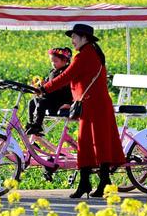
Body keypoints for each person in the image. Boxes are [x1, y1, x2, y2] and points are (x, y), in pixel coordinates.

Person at [39, 23, 125, 198]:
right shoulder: (91, 53)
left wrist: (45, 88)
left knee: (94, 144)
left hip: (95, 106)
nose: (72, 41)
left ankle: (99, 182)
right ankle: (91, 182)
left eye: (74, 37)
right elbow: (78, 81)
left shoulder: (84, 56)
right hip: (93, 105)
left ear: (84, 38)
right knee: (90, 144)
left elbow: (66, 76)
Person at [26, 47, 74, 136]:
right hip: (50, 98)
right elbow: (49, 84)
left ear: (65, 61)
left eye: (55, 61)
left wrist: (46, 87)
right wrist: (41, 85)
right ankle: (31, 123)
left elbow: (59, 86)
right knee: (32, 102)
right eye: (51, 61)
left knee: (41, 103)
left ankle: (37, 125)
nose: (53, 64)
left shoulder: (66, 72)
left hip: (60, 101)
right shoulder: (53, 71)